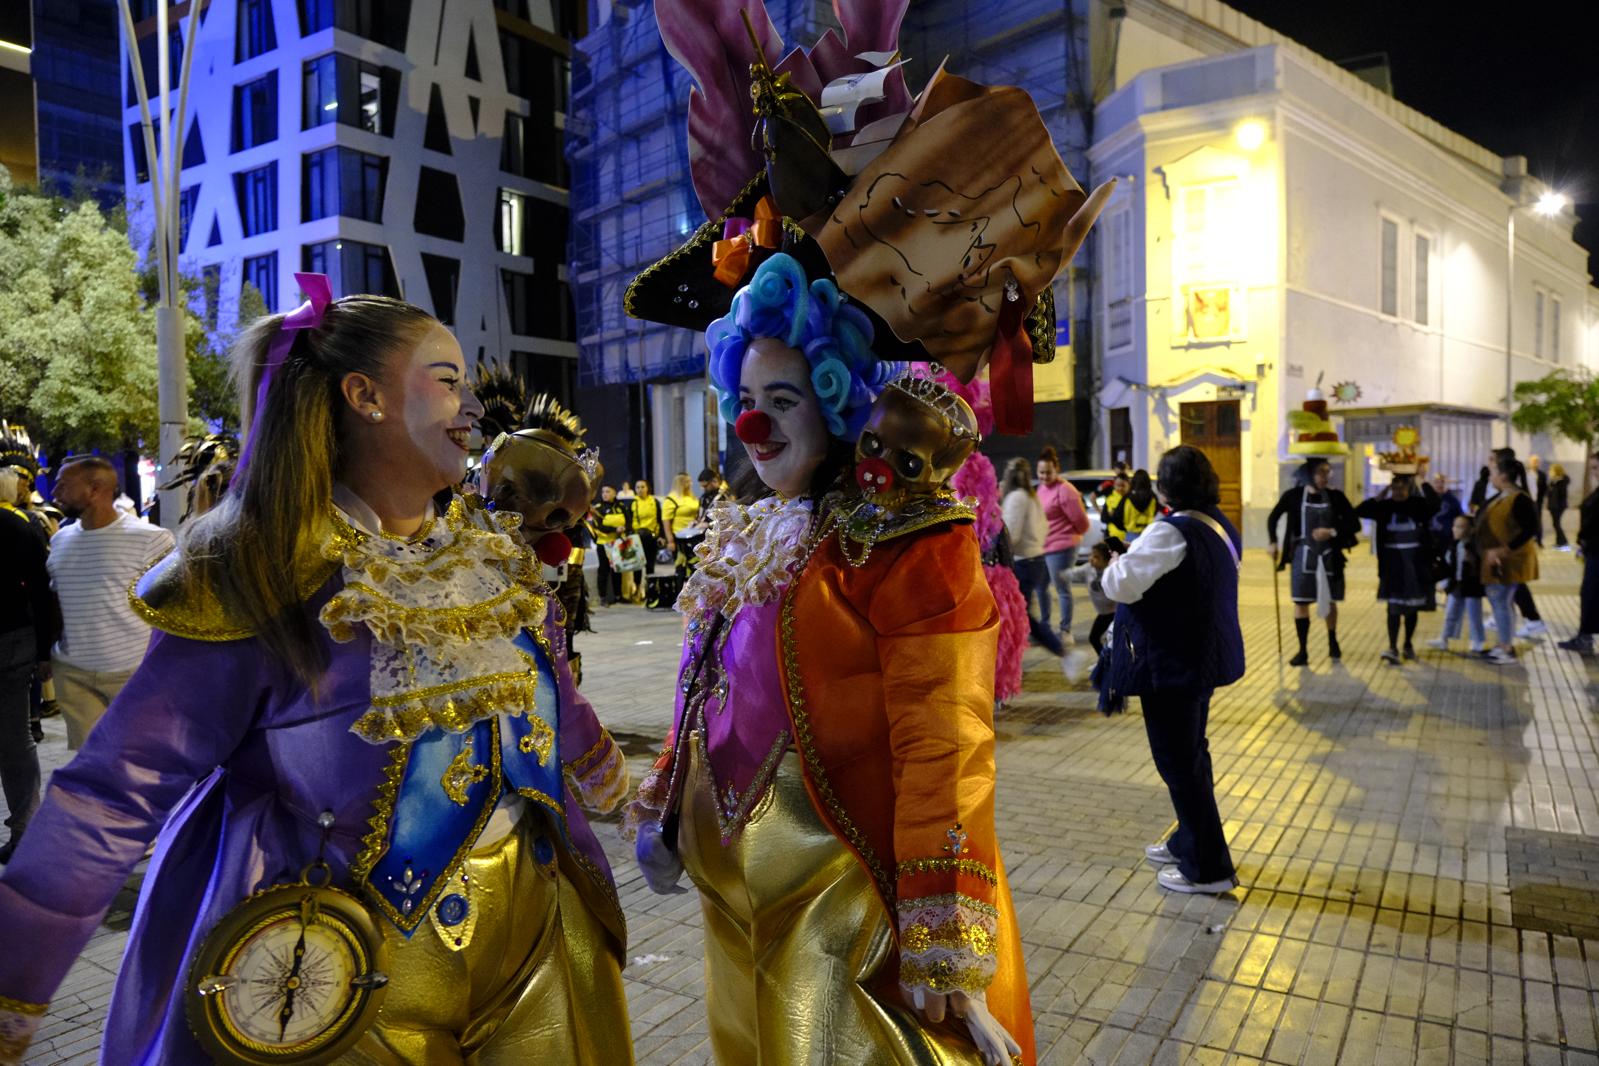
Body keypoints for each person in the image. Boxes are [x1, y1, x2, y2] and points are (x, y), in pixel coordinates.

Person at [0, 279, 634, 1063]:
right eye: (447, 382)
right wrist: (15, 979)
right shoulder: (257, 576)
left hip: (538, 942)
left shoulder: (488, 557)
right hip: (342, 978)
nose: (472, 408)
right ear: (364, 396)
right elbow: (115, 789)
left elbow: (545, 694)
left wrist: (614, 784)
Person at [626, 253, 1036, 1066]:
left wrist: (941, 929)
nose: (754, 425)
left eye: (783, 400)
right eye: (745, 401)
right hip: (730, 897)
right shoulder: (745, 532)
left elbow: (945, 743)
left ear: (839, 402)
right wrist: (667, 796)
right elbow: (700, 684)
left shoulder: (908, 546)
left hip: (842, 903)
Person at [1097, 445, 1244, 895]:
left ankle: (1208, 868)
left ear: (1165, 487)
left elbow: (1118, 586)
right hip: (1201, 656)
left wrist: (1117, 561)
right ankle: (1188, 838)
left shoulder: (1171, 532)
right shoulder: (1219, 524)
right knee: (1191, 755)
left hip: (1173, 662)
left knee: (1179, 763)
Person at [45, 456, 175, 750]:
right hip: (73, 673)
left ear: (94, 489)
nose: (55, 494)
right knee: (92, 764)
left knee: (139, 759)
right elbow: (58, 600)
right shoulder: (60, 540)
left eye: (63, 485)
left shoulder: (152, 540)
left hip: (132, 674)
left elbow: (172, 609)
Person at [0, 467, 54, 865]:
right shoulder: (17, 527)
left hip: (11, 641)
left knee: (15, 739)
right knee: (15, 738)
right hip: (13, 637)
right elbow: (41, 586)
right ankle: (25, 830)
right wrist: (44, 650)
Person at [1267, 458, 1360, 666]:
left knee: (1330, 601)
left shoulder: (1336, 497)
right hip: (1303, 555)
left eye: (1327, 472)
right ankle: (1302, 651)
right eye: (1320, 472)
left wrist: (1333, 531)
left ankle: (1333, 641)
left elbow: (1354, 524)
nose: (1325, 477)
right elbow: (1273, 517)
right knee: (1301, 601)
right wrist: (1273, 542)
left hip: (1330, 556)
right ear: (1309, 474)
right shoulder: (1294, 496)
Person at [1355, 475, 1437, 664]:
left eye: (1401, 488)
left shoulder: (1418, 505)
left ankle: (1408, 644)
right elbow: (1359, 510)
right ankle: (1392, 647)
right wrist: (1381, 494)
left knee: (1411, 607)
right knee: (1393, 607)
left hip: (1415, 564)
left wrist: (1422, 481)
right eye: (1394, 488)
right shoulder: (1384, 506)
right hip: (1392, 565)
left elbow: (1435, 504)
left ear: (1409, 488)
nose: (1398, 492)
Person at [1476, 454, 1540, 665]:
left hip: (1507, 560)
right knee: (1502, 603)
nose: (1490, 477)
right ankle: (1504, 644)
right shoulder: (1502, 496)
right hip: (1496, 558)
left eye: (1493, 472)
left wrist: (1504, 550)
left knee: (1500, 602)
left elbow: (1530, 529)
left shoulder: (1518, 498)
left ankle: (1506, 647)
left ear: (1503, 475)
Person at [1002, 457, 1065, 657]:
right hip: (1037, 559)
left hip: (1023, 562)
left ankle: (1061, 651)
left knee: (1021, 616)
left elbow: (1011, 535)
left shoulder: (1017, 498)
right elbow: (1044, 527)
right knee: (1021, 615)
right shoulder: (1032, 496)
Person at [1035, 446, 1090, 643]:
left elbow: (1082, 521)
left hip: (1062, 547)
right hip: (1043, 546)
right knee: (1040, 588)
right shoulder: (1041, 488)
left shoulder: (1066, 490)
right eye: (1040, 472)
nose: (1044, 476)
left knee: (1062, 588)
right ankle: (1044, 626)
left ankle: (1065, 630)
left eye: (1048, 472)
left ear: (1056, 469)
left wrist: (1070, 537)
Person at [1427, 514, 1486, 654]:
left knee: (1474, 614)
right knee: (1450, 612)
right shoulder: (1454, 545)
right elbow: (1448, 566)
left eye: (1460, 527)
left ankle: (1477, 640)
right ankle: (1444, 638)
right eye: (1455, 526)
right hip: (1456, 585)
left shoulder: (1475, 546)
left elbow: (1479, 567)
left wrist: (1473, 562)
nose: (1455, 530)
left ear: (1471, 529)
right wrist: (1444, 580)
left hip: (1472, 586)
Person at [1558, 453, 1599, 653]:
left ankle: (1585, 638)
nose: (1594, 472)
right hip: (1593, 551)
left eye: (1596, 467)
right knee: (1589, 594)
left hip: (1597, 552)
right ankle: (1585, 636)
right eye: (1592, 468)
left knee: (1591, 594)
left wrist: (1584, 539)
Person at [590, 484, 631, 606]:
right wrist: (615, 529)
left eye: (608, 492)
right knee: (603, 570)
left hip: (618, 543)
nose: (605, 494)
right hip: (603, 544)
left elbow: (629, 522)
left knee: (617, 570)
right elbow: (598, 526)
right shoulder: (598, 508)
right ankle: (603, 597)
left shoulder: (621, 506)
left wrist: (625, 528)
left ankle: (619, 596)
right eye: (603, 492)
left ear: (614, 493)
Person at [1085, 537, 1125, 654]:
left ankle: (1106, 663)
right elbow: (1075, 572)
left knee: (1096, 638)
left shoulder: (1112, 573)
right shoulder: (1090, 569)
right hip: (1105, 613)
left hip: (1113, 613)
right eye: (1091, 556)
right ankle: (1105, 662)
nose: (1091, 559)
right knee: (1098, 638)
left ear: (1107, 560)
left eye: (1096, 557)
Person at [663, 471, 704, 578]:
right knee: (681, 568)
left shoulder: (691, 497)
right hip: (679, 539)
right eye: (687, 482)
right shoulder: (671, 499)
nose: (690, 484)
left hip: (695, 536)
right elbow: (666, 522)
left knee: (695, 567)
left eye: (690, 481)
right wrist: (670, 541)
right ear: (680, 483)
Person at [1103, 469, 1159, 541]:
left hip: (1131, 535)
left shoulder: (1127, 498)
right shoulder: (1153, 498)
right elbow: (1158, 515)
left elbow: (1116, 518)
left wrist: (1125, 528)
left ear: (1134, 481)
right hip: (1148, 535)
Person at [1427, 472, 1464, 541]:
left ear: (1446, 484)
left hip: (1447, 538)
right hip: (1430, 538)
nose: (1439, 485)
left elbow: (1461, 518)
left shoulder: (1453, 501)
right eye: (1436, 482)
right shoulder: (1428, 500)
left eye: (1442, 482)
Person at [1548, 463, 1571, 549]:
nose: (1550, 472)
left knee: (1556, 524)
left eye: (1551, 470)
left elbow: (1561, 495)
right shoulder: (1553, 481)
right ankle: (1559, 541)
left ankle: (1563, 541)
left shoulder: (1561, 482)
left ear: (1556, 471)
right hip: (1553, 506)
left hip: (1558, 506)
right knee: (1555, 523)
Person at [1528, 454, 1550, 545]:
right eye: (1533, 461)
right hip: (1528, 500)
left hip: (1538, 501)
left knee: (1538, 519)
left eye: (1537, 462)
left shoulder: (1542, 475)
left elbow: (1545, 488)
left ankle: (1539, 539)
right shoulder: (1527, 474)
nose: (1535, 463)